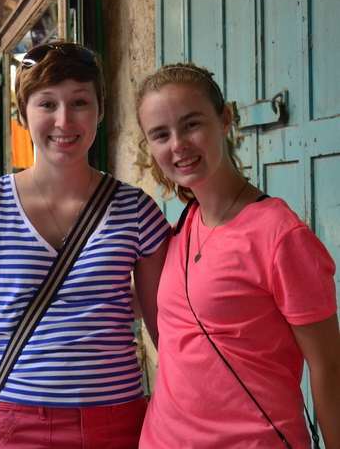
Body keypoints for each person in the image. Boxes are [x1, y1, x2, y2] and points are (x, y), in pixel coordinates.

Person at [0, 42, 169, 449]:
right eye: (48, 104)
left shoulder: (137, 211)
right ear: (23, 113)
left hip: (119, 425)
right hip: (19, 425)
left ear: (100, 110)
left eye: (80, 102)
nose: (64, 120)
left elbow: (168, 338)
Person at [135, 63, 340, 448]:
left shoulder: (279, 235)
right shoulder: (181, 228)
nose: (178, 144)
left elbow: (329, 368)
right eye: (160, 134)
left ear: (225, 119)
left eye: (191, 124)